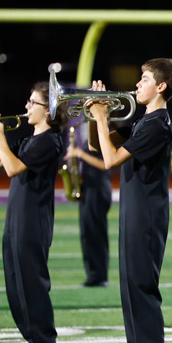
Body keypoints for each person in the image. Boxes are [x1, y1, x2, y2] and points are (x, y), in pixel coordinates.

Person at [90, 58, 172, 343]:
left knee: (142, 291)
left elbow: (110, 160)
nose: (136, 85)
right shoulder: (144, 120)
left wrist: (101, 116)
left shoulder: (157, 124)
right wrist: (94, 114)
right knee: (131, 291)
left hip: (146, 216)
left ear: (160, 86)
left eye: (144, 79)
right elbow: (96, 144)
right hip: (134, 213)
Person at [0, 83, 65, 343]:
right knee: (15, 285)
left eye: (33, 103)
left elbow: (13, 168)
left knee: (32, 284)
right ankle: (34, 342)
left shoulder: (50, 140)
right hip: (16, 218)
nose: (27, 107)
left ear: (48, 111)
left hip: (33, 220)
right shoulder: (30, 140)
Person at [65, 121, 113, 288]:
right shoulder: (93, 133)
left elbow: (105, 164)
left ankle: (99, 276)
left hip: (98, 189)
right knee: (88, 234)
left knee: (96, 234)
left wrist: (80, 154)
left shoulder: (107, 133)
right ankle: (93, 275)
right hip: (89, 188)